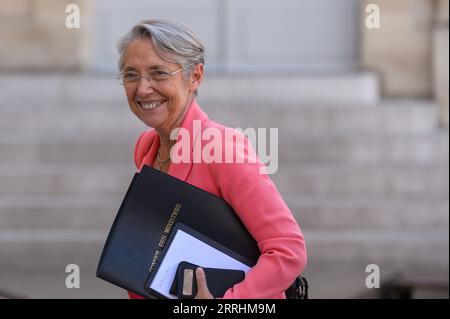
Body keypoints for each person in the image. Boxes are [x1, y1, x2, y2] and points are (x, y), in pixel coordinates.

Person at [116, 19, 307, 299]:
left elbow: (288, 249)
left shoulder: (221, 148)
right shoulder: (146, 147)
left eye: (158, 73)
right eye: (131, 74)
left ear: (194, 77)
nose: (143, 89)